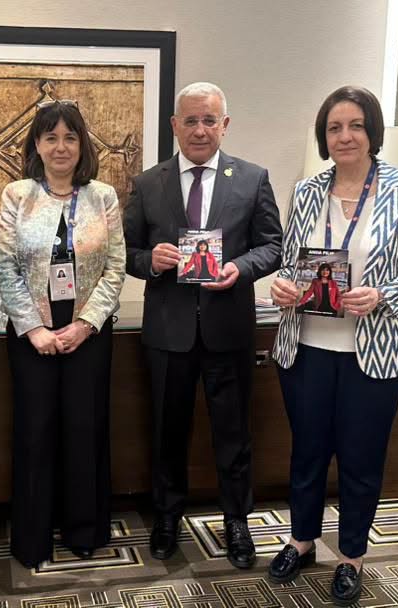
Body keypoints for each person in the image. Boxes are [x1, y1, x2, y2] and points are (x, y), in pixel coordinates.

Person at [267, 86, 398, 606]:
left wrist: (384, 295)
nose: (345, 136)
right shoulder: (306, 191)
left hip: (375, 353)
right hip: (306, 346)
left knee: (361, 458)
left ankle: (351, 556)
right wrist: (283, 285)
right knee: (307, 451)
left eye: (356, 126)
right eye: (334, 128)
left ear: (373, 132)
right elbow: (292, 263)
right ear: (324, 138)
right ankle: (301, 541)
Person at [122, 82, 282, 569]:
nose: (199, 129)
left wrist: (241, 268)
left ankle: (237, 521)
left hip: (227, 329)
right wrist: (151, 260)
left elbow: (273, 245)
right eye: (190, 120)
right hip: (168, 331)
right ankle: (167, 518)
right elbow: (124, 252)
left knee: (233, 434)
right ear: (174, 125)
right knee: (167, 432)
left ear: (224, 125)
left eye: (209, 120)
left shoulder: (252, 178)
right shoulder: (148, 183)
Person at [0, 100, 126, 567]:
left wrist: (85, 324)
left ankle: (84, 530)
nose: (61, 147)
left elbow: (115, 268)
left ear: (82, 144)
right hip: (31, 335)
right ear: (37, 144)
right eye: (51, 137)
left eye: (70, 137)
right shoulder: (17, 195)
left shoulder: (103, 197)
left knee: (84, 429)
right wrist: (34, 329)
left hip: (89, 332)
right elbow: (6, 269)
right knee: (35, 432)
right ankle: (33, 538)